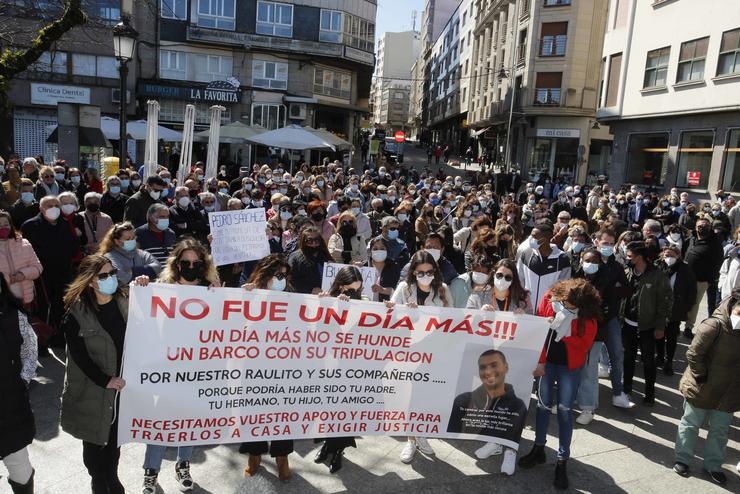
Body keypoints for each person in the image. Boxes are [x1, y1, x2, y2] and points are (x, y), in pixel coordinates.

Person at [140, 239, 220, 493]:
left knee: (190, 420)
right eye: (185, 262)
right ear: (176, 264)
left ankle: (183, 465)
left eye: (196, 263)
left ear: (204, 264)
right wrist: (139, 287)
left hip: (198, 370)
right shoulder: (161, 289)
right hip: (166, 369)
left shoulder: (213, 291)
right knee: (160, 422)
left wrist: (224, 298)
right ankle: (150, 472)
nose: (191, 266)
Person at [60, 255, 134, 494]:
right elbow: (79, 356)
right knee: (94, 440)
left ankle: (112, 477)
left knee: (113, 440)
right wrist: (105, 380)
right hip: (92, 389)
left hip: (121, 387)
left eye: (112, 273)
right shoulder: (76, 313)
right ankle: (98, 480)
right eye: (103, 275)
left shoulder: (126, 301)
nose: (110, 278)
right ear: (90, 280)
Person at [518, 279, 600, 490]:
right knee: (543, 406)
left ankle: (563, 460)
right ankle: (539, 448)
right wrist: (541, 361)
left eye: (573, 306)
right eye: (565, 302)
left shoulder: (588, 316)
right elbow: (540, 333)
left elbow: (585, 345)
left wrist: (566, 334)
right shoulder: (549, 299)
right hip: (548, 363)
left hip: (570, 367)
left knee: (564, 410)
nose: (567, 307)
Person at [673, 289, 740, 485]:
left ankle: (713, 465)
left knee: (720, 430)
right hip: (702, 385)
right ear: (733, 307)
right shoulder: (713, 325)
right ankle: (682, 459)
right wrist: (702, 376)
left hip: (729, 391)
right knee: (691, 423)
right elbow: (694, 354)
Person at [390, 250, 450, 463]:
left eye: (430, 271)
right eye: (421, 272)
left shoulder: (443, 290)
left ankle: (421, 433)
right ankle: (411, 439)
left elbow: (452, 321)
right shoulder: (404, 289)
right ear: (413, 272)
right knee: (410, 396)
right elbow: (390, 316)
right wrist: (406, 312)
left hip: (433, 352)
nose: (426, 275)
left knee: (425, 396)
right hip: (408, 351)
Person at [239, 254, 293, 481]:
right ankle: (254, 454)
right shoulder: (248, 294)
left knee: (282, 412)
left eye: (284, 275)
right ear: (265, 274)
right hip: (254, 366)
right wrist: (244, 297)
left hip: (284, 366)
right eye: (277, 275)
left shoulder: (293, 298)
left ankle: (282, 458)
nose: (282, 279)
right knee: (254, 411)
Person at [313, 266, 365, 473]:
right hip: (329, 368)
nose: (354, 295)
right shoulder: (327, 301)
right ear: (340, 286)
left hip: (352, 371)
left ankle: (337, 451)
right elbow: (317, 332)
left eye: (358, 291)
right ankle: (327, 444)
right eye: (350, 290)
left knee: (345, 414)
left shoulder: (364, 305)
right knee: (329, 411)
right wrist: (326, 306)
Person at [447, 349, 527, 475]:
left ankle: (510, 450)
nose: (488, 371)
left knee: (518, 409)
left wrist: (541, 361)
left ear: (506, 367)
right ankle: (495, 442)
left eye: (494, 365)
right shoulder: (463, 399)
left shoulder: (518, 404)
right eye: (483, 367)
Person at [621, 241, 673, 405]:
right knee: (628, 358)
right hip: (628, 324)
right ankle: (626, 388)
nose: (627, 258)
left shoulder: (657, 275)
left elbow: (665, 302)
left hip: (648, 327)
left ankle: (649, 393)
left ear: (639, 257)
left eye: (629, 256)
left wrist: (660, 326)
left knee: (648, 361)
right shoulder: (626, 272)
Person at [0, 276, 37, 494]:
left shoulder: (14, 315)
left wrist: (21, 381)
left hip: (10, 405)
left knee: (20, 470)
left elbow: (31, 351)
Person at [21, 195, 77, 332]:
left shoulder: (64, 223)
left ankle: (58, 335)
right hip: (42, 276)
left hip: (63, 273)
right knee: (42, 308)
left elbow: (72, 246)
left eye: (56, 206)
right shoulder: (30, 226)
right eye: (49, 206)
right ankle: (42, 339)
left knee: (61, 305)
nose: (54, 209)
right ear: (41, 208)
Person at [657, 246, 696, 376]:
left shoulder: (685, 269)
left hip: (675, 309)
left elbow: (691, 290)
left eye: (672, 256)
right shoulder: (658, 267)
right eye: (666, 255)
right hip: (659, 307)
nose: (668, 258)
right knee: (659, 334)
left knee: (672, 336)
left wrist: (687, 306)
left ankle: (669, 362)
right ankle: (660, 357)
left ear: (678, 256)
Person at [683, 216, 724, 339]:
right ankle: (675, 324)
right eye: (700, 226)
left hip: (700, 280)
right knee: (680, 302)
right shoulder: (692, 239)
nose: (702, 228)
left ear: (710, 227)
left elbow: (718, 263)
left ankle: (688, 327)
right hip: (684, 278)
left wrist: (709, 280)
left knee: (694, 305)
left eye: (705, 226)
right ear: (696, 227)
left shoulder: (715, 244)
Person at [516, 222, 571, 308]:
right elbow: (519, 280)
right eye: (531, 235)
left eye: (534, 236)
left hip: (548, 311)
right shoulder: (526, 254)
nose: (530, 239)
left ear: (545, 238)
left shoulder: (563, 259)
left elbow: (563, 287)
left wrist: (553, 308)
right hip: (526, 309)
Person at [0, 211, 43, 306]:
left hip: (26, 301)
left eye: (6, 224)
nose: (3, 228)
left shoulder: (24, 243)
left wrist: (22, 274)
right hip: (3, 305)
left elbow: (38, 267)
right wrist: (7, 279)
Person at [288, 226, 332, 294]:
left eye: (316, 240)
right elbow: (290, 280)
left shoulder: (326, 257)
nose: (314, 243)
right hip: (304, 299)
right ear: (303, 241)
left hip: (326, 297)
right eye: (309, 241)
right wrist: (309, 290)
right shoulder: (295, 257)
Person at [366, 236, 401, 302]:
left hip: (385, 307)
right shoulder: (365, 266)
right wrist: (356, 268)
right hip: (365, 307)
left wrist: (382, 290)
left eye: (382, 249)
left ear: (387, 251)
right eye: (375, 249)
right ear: (370, 252)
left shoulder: (394, 267)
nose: (379, 251)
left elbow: (398, 290)